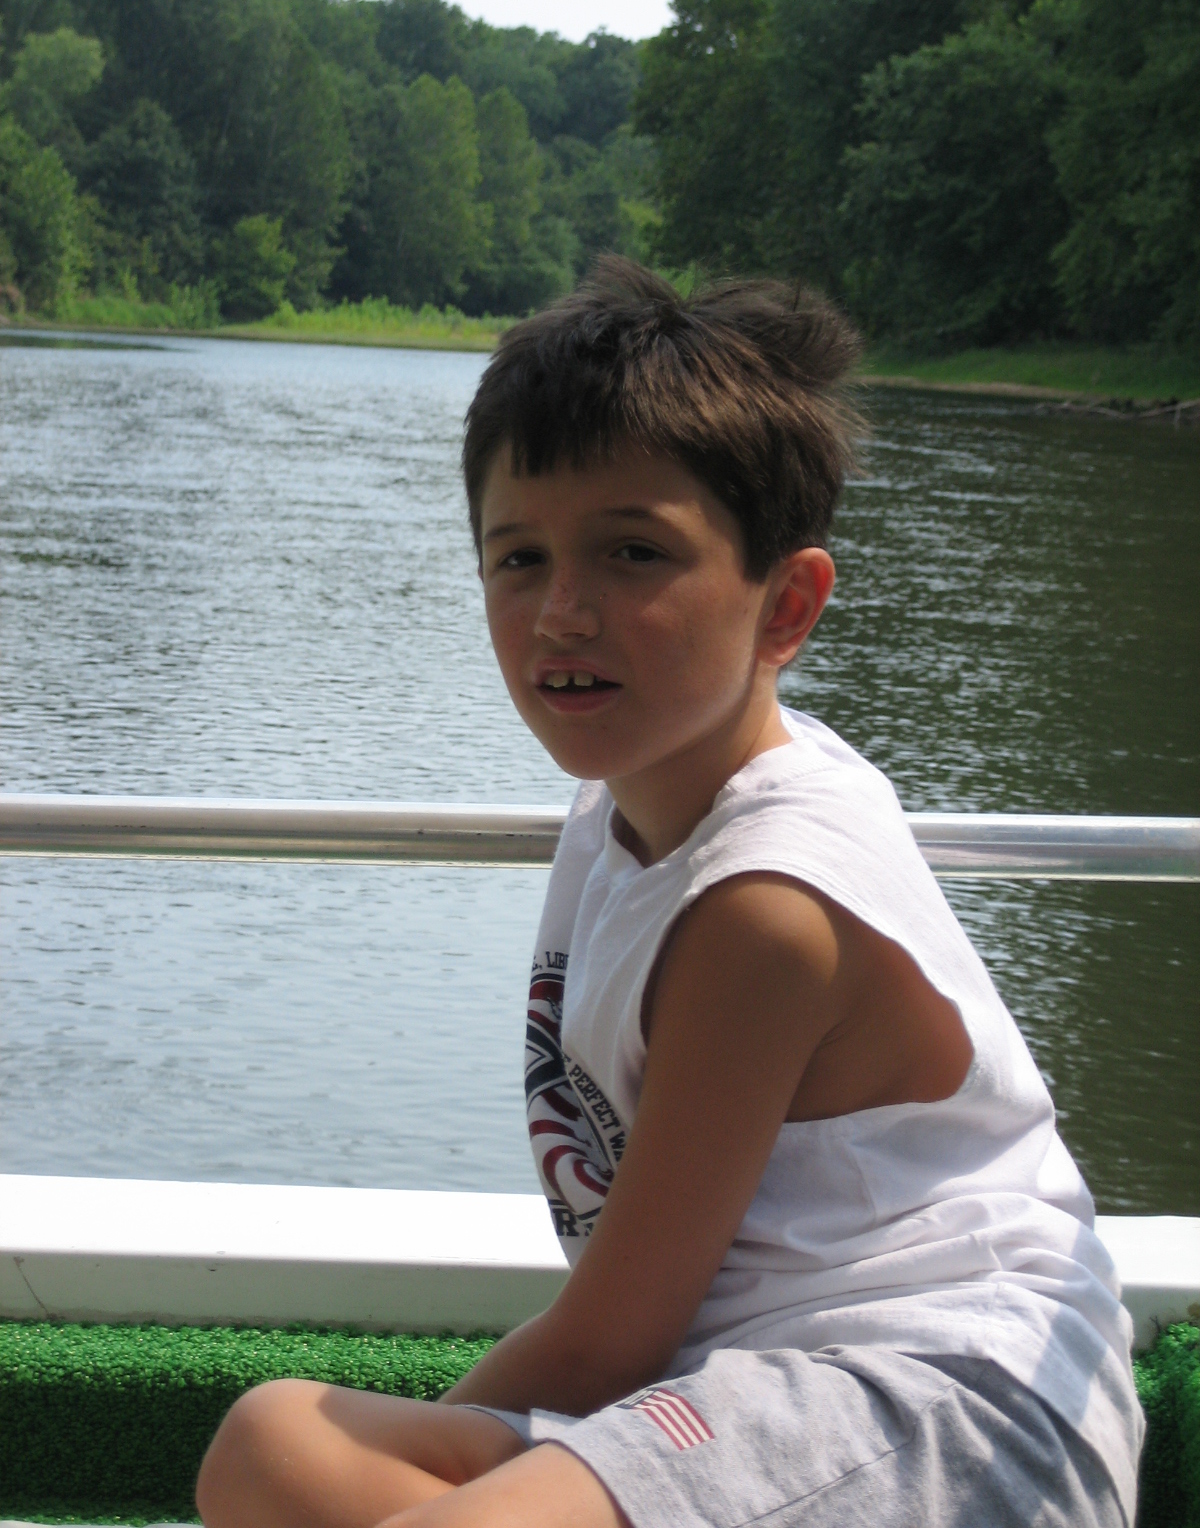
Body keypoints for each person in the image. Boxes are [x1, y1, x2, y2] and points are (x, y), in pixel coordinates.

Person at [196, 260, 1143, 1528]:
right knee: (270, 1447)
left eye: (633, 553)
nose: (562, 611)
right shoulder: (630, 798)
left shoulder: (765, 909)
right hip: (745, 1384)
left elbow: (610, 1341)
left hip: (940, 1406)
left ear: (785, 605)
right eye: (518, 556)